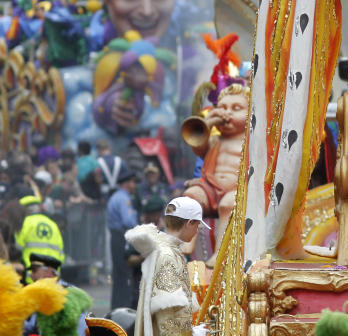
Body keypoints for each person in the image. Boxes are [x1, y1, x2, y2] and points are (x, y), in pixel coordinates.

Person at [183, 81, 249, 262]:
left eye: (236, 108)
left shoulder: (250, 140)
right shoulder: (215, 140)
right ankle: (186, 241)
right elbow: (197, 145)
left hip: (237, 191)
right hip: (211, 188)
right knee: (191, 195)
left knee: (228, 205)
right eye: (222, 108)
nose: (227, 113)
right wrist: (210, 121)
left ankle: (220, 254)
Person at [125, 197, 208, 336]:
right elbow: (166, 315)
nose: (197, 231)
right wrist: (190, 334)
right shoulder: (167, 255)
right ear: (189, 223)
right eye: (197, 226)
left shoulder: (165, 249)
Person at [106, 166, 139, 310]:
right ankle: (123, 306)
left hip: (116, 237)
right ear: (127, 183)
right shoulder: (123, 198)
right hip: (121, 237)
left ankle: (117, 305)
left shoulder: (116, 196)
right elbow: (128, 221)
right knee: (124, 274)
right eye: (133, 182)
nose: (135, 186)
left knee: (118, 273)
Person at [14, 195, 64, 275]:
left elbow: (17, 247)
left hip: (33, 274)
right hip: (52, 274)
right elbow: (61, 253)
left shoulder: (24, 223)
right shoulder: (52, 224)